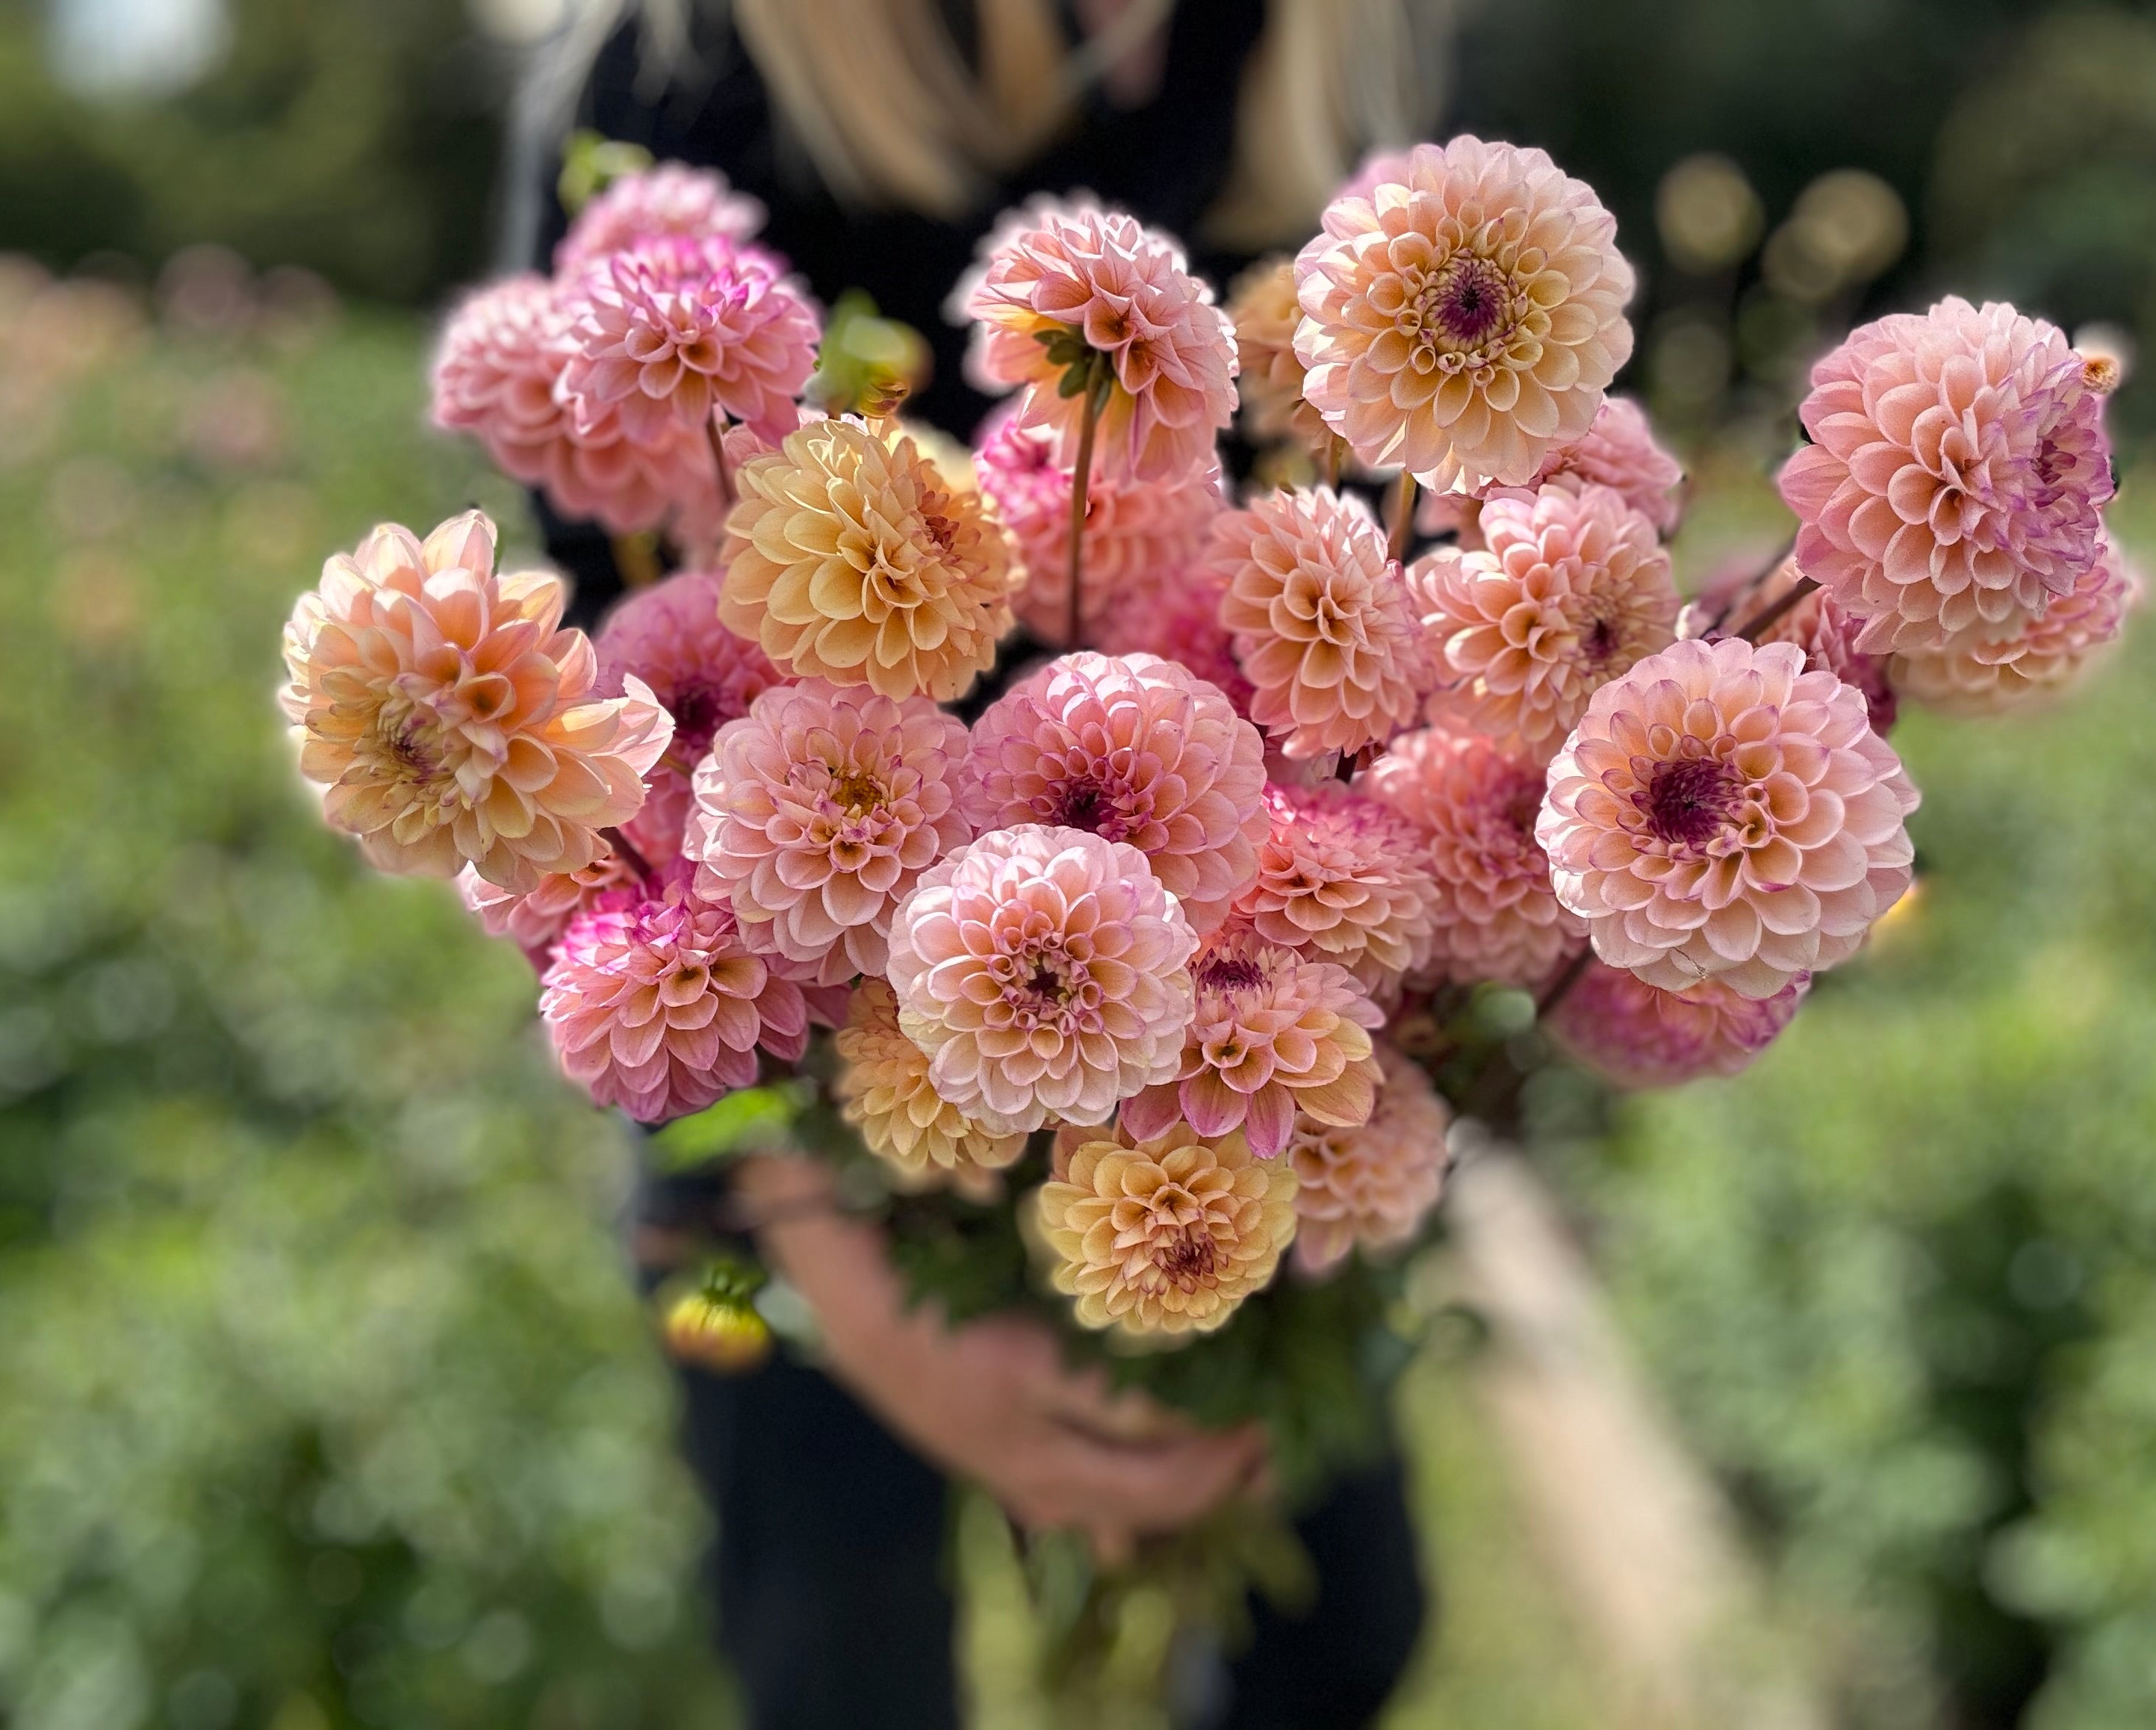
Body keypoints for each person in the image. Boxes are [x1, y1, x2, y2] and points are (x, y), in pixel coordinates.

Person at [502, 4, 1453, 1723]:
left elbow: (1391, 646)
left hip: (1218, 1026)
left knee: (1342, 1633)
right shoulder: (678, 71)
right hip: (772, 1083)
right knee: (833, 1651)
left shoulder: (1330, 58)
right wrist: (847, 1278)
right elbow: (580, 767)